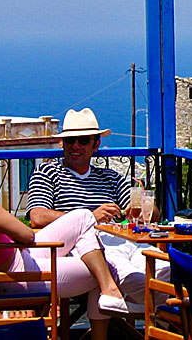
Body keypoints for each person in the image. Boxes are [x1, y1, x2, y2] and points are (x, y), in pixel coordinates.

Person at [0, 126, 137, 340]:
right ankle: (107, 299)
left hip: (12, 262)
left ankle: (108, 289)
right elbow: (26, 235)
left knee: (84, 216)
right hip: (14, 275)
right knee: (105, 268)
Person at [26, 107, 168, 307]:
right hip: (86, 248)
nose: (75, 146)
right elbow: (37, 216)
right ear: (62, 144)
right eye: (70, 141)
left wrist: (140, 206)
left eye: (83, 140)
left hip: (125, 240)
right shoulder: (48, 173)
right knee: (130, 275)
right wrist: (90, 217)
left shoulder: (109, 177)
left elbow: (153, 215)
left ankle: (160, 311)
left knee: (166, 268)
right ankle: (161, 314)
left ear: (96, 145)